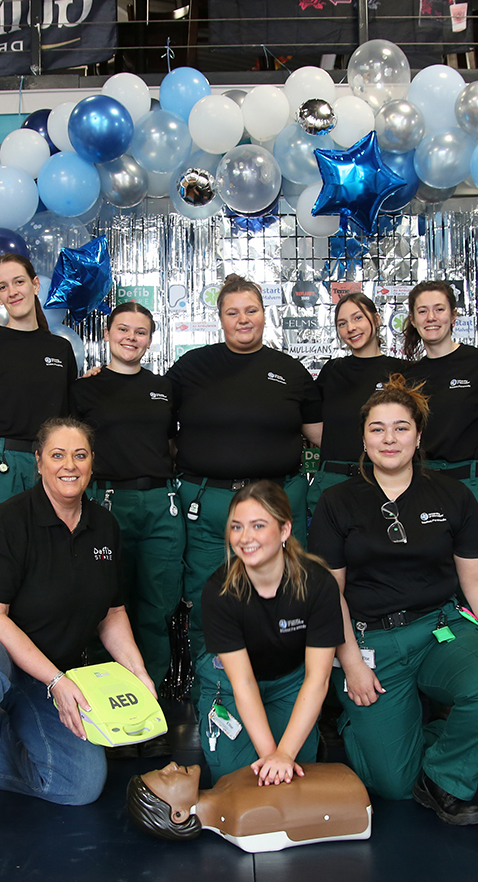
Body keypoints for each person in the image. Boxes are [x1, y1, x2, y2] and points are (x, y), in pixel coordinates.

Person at [308, 374, 478, 825]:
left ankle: (445, 778)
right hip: (370, 641)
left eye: (401, 428)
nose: (389, 439)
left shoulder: (452, 494)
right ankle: (365, 725)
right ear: (364, 439)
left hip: (439, 629)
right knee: (393, 786)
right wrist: (351, 664)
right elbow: (329, 594)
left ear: (419, 436)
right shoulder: (336, 501)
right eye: (378, 429)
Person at [0, 417, 157, 842]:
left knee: (80, 785)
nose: (69, 465)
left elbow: (111, 612)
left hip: (44, 671)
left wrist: (138, 673)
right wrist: (57, 682)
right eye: (57, 455)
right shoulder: (7, 522)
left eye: (80, 455)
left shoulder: (104, 526)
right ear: (38, 462)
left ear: (92, 463)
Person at [167, 274, 322, 658]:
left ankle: (284, 676)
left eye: (251, 310)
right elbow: (153, 421)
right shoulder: (191, 367)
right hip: (208, 502)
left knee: (286, 591)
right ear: (220, 318)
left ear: (264, 314)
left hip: (277, 500)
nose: (243, 319)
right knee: (208, 592)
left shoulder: (290, 371)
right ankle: (213, 682)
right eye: (232, 312)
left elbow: (323, 436)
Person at [196, 481, 344, 784]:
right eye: (236, 527)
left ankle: (308, 738)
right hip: (230, 683)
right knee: (239, 781)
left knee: (294, 776)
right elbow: (243, 683)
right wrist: (270, 758)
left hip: (289, 681)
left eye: (258, 526)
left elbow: (318, 678)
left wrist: (285, 754)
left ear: (285, 530)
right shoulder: (220, 590)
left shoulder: (317, 583)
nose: (245, 538)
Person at [71, 302, 182, 696]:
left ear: (150, 340)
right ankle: (109, 700)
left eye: (140, 332)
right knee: (106, 603)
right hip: (106, 503)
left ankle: (149, 700)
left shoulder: (164, 388)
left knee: (158, 605)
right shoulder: (84, 388)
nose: (131, 338)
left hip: (160, 505)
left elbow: (172, 444)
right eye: (123, 329)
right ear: (107, 334)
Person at [0, 254, 77, 531]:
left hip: (54, 463)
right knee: (3, 550)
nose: (12, 292)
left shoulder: (61, 349)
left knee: (55, 550)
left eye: (19, 282)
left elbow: (72, 420)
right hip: (5, 466)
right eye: (3, 287)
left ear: (35, 284)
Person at [402, 281, 478, 581]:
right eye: (423, 311)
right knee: (430, 573)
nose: (431, 317)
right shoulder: (409, 376)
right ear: (413, 319)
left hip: (470, 481)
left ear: (453, 315)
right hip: (424, 484)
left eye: (439, 309)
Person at [128, 761, 371, 851]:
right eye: (164, 776)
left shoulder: (227, 782)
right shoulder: (241, 818)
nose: (171, 765)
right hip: (353, 796)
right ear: (179, 814)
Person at [308, 293, 405, 514]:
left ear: (376, 319)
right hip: (333, 480)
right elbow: (312, 421)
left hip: (385, 480)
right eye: (342, 323)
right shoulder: (332, 371)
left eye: (358, 318)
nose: (351, 328)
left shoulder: (400, 370)